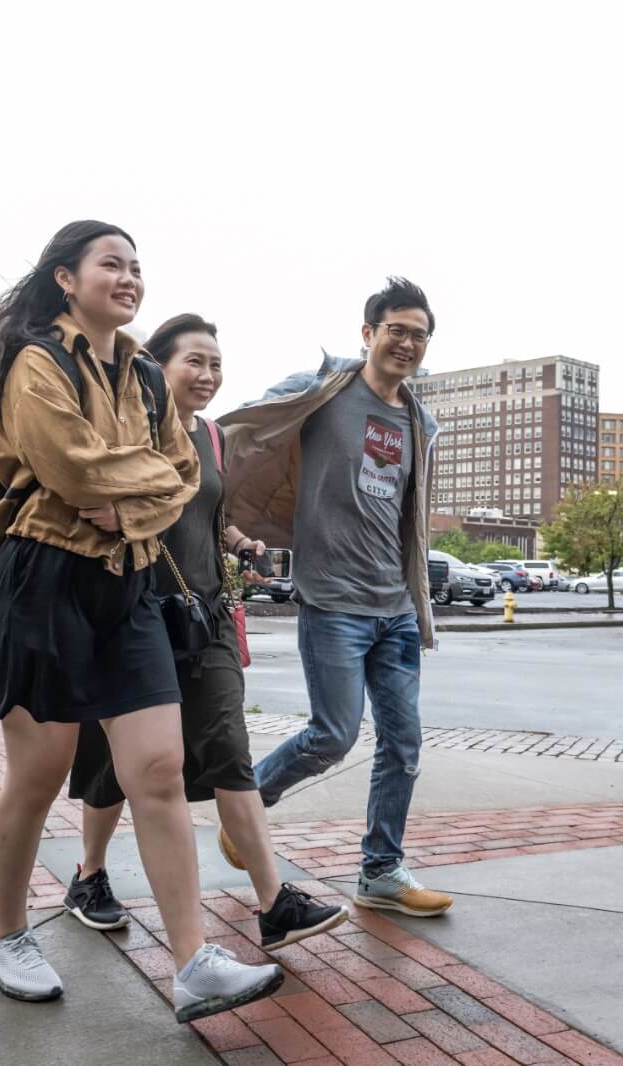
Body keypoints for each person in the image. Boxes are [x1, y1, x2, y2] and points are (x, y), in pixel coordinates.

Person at [0, 221, 282, 1021]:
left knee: (159, 772)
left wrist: (124, 501)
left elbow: (183, 473)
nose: (130, 276)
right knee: (39, 779)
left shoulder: (145, 377)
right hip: (44, 580)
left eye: (137, 266)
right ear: (67, 279)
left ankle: (193, 963)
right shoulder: (37, 361)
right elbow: (70, 468)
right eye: (112, 263)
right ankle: (7, 936)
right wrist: (109, 490)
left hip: (131, 581)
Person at [63, 313, 350, 949]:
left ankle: (274, 902)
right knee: (119, 761)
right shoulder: (128, 432)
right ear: (155, 367)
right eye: (194, 360)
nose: (209, 374)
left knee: (229, 749)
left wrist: (242, 541)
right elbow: (93, 506)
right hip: (135, 617)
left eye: (216, 364)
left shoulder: (214, 437)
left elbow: (210, 514)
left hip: (206, 616)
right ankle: (90, 873)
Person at [218, 277, 453, 918]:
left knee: (403, 744)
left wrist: (416, 596)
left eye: (419, 335)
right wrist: (224, 524)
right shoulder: (321, 390)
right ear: (369, 333)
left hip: (395, 607)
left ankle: (380, 871)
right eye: (396, 330)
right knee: (332, 735)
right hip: (333, 601)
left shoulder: (417, 420)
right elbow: (234, 435)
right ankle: (248, 807)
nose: (407, 343)